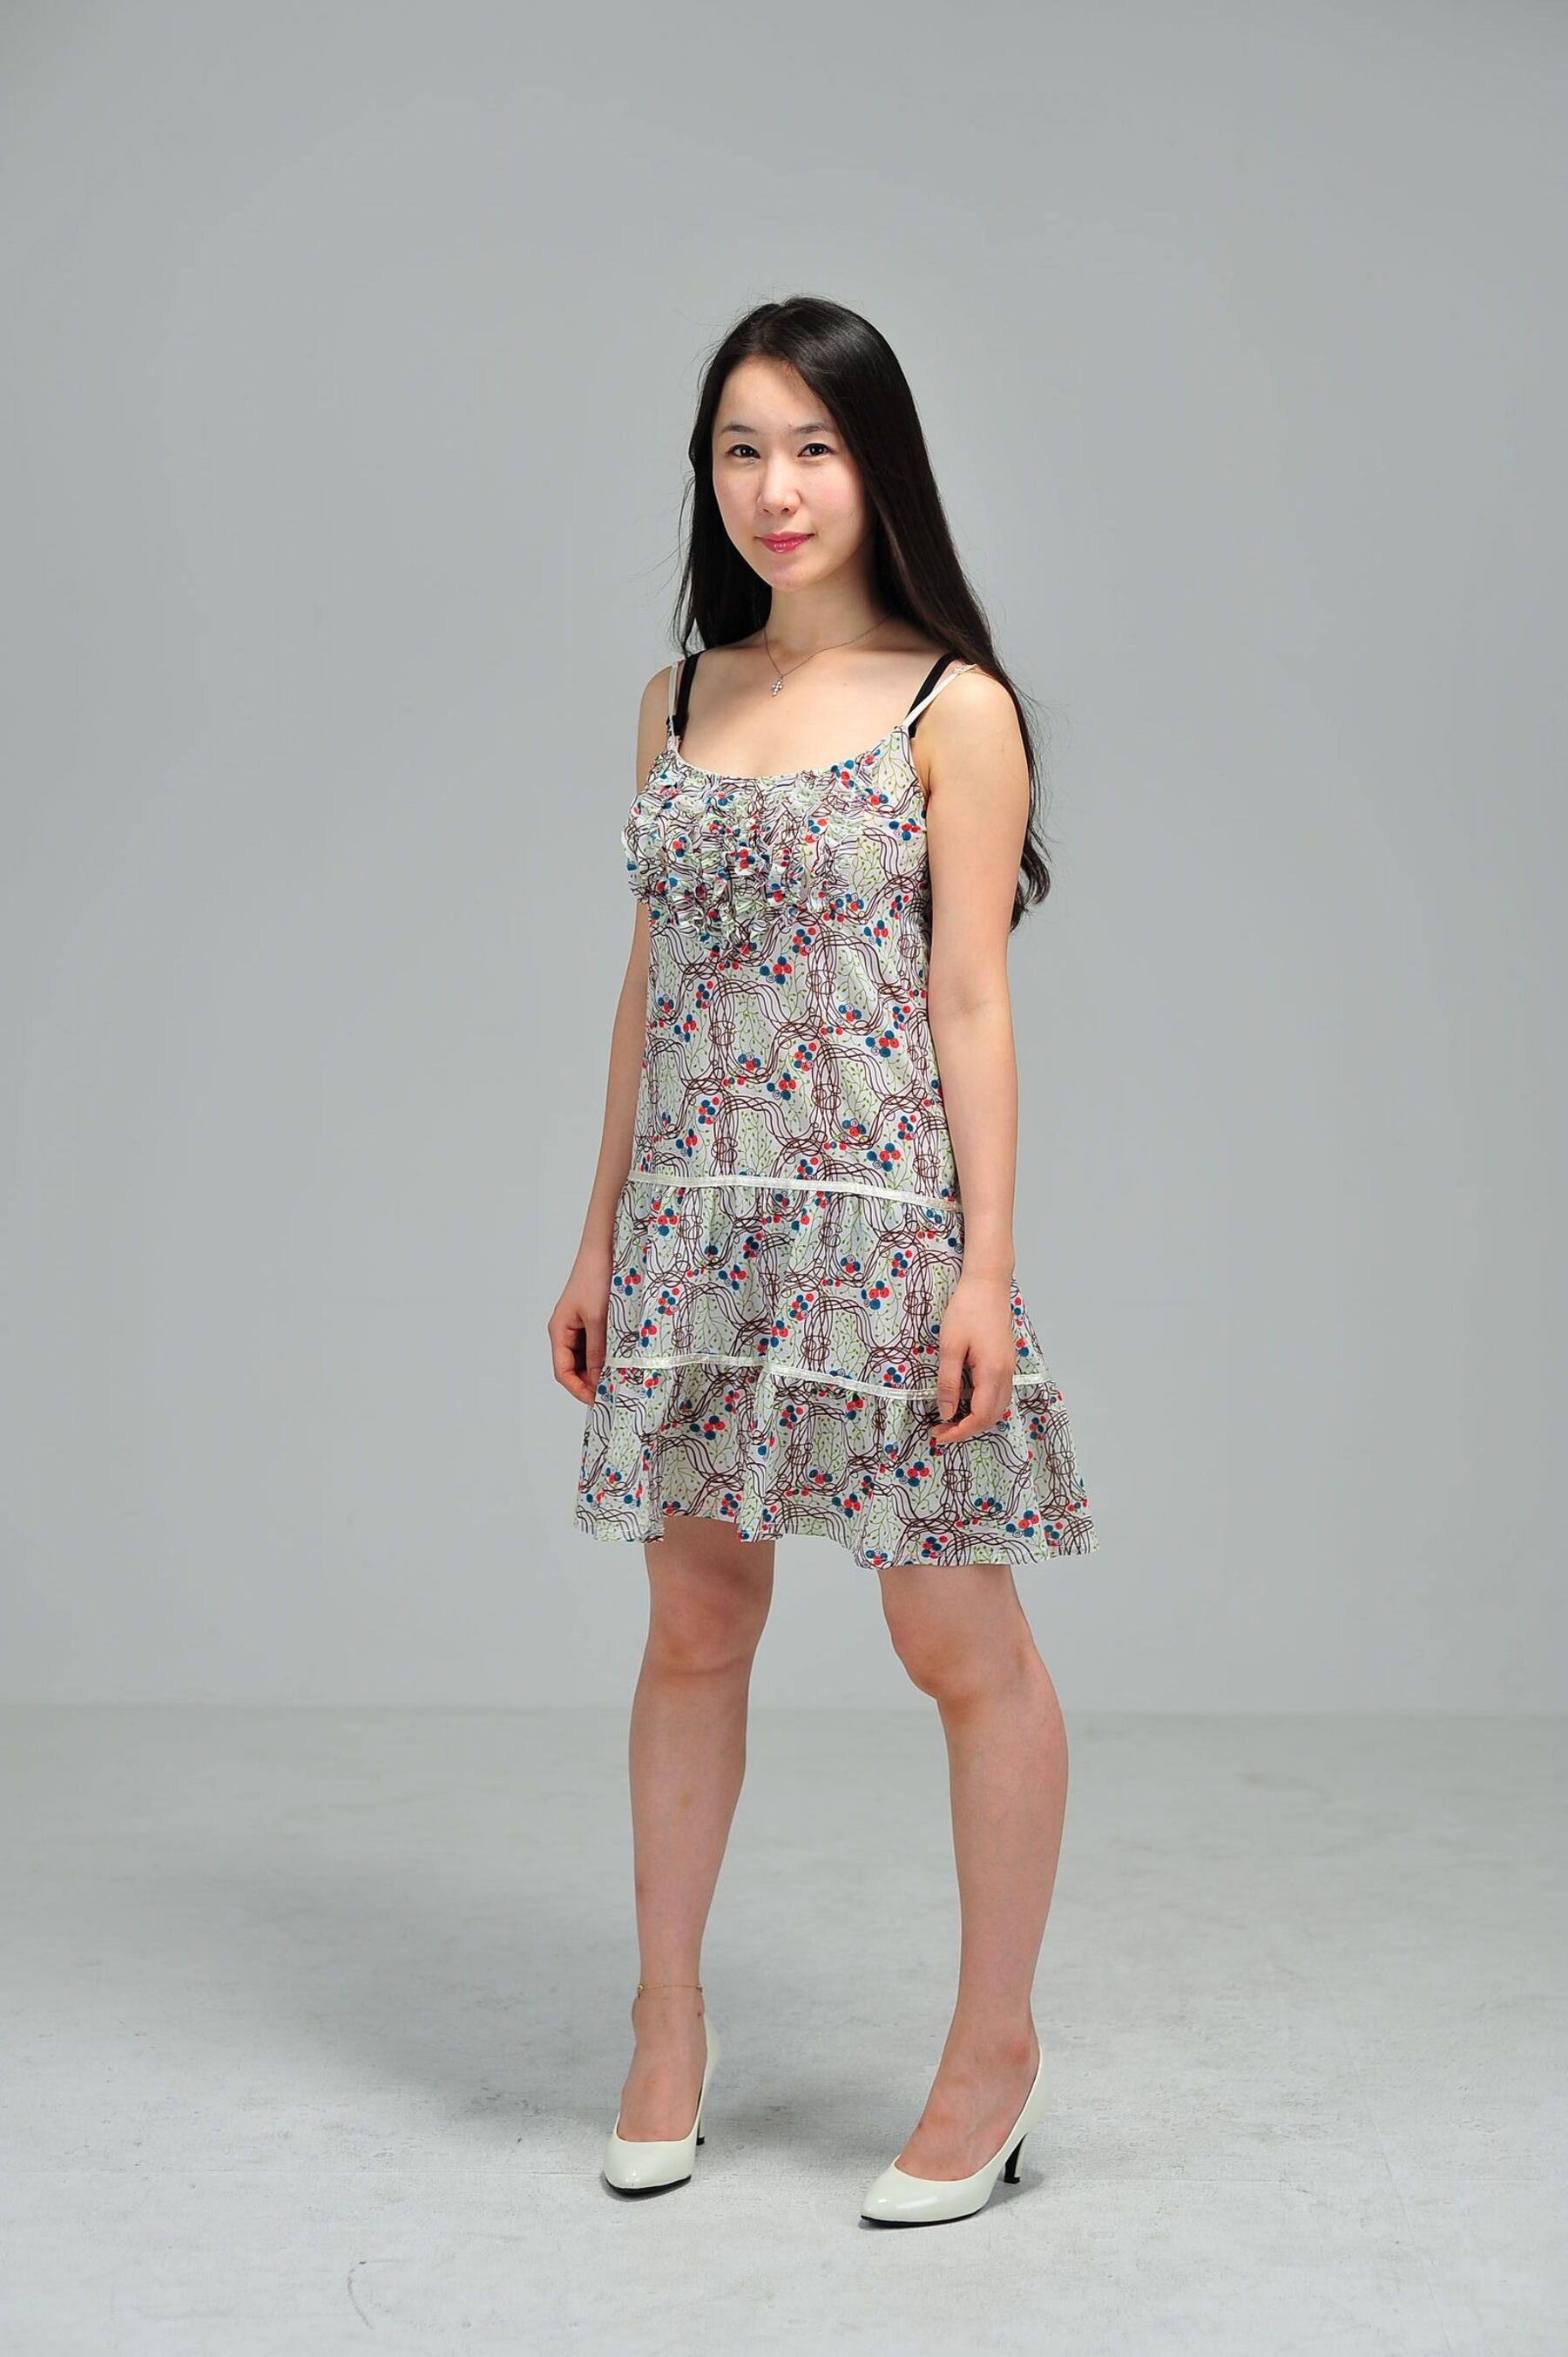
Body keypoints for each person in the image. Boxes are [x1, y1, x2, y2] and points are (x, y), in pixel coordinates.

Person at [548, 294, 1098, 2225]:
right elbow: (652, 988)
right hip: (697, 1233)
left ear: (879, 470)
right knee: (694, 1624)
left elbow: (972, 998)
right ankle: (666, 2023)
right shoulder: (676, 700)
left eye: (816, 448)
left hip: (880, 1238)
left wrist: (984, 1271)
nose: (776, 489)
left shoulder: (957, 708)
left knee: (956, 1637)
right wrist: (599, 1233)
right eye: (741, 449)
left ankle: (994, 2050)